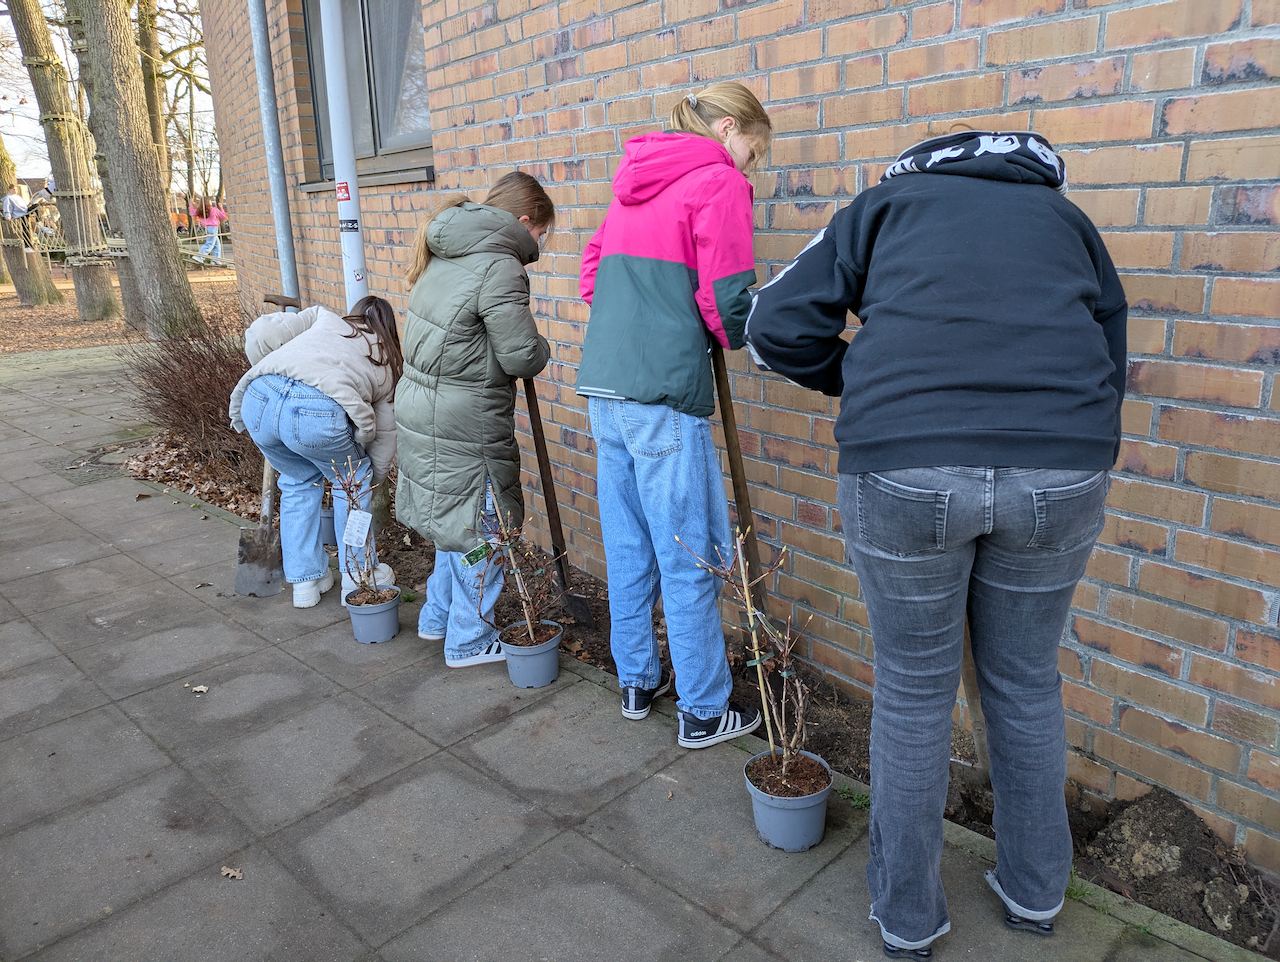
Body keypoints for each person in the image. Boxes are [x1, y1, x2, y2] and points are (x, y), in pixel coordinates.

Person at [746, 130, 1127, 958]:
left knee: (915, 694)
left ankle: (909, 920)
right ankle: (1035, 895)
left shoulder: (885, 207)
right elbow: (1108, 350)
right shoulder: (1067, 222)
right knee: (1024, 682)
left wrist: (858, 376)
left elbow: (772, 321)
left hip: (906, 467)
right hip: (1060, 471)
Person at [576, 82, 773, 749]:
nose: (751, 166)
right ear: (728, 128)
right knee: (688, 551)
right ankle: (705, 710)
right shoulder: (718, 182)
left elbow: (592, 273)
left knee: (629, 544)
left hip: (606, 388)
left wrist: (639, 318)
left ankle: (636, 681)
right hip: (662, 394)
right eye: (754, 151)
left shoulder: (635, 181)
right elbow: (725, 295)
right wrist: (737, 335)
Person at [395, 171, 554, 668]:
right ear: (524, 221)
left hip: (425, 406)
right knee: (482, 527)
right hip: (466, 417)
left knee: (452, 520)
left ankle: (437, 617)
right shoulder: (499, 265)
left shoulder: (447, 252)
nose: (541, 243)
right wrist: (542, 345)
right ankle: (469, 639)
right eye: (542, 233)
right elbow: (521, 355)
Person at [229, 296, 400, 608]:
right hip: (315, 410)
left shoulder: (323, 318)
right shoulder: (385, 361)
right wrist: (367, 481)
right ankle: (357, 577)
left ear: (354, 315)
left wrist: (269, 369)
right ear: (388, 329)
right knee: (351, 483)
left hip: (258, 398)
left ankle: (305, 582)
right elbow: (385, 437)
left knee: (297, 481)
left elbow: (260, 332)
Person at [189, 196, 228, 262]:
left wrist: (191, 204)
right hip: (214, 228)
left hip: (207, 228)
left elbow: (192, 213)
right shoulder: (214, 210)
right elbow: (223, 217)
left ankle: (216, 260)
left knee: (216, 245)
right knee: (209, 244)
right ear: (209, 202)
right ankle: (199, 257)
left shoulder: (200, 211)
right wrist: (221, 208)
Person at [3, 185, 35, 253]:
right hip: (19, 214)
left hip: (25, 211)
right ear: (9, 190)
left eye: (16, 189)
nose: (15, 191)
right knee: (25, 229)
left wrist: (28, 206)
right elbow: (7, 207)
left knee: (37, 205)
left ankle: (38, 221)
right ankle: (27, 246)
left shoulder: (18, 197)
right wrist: (8, 215)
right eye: (13, 189)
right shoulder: (8, 198)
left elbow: (23, 206)